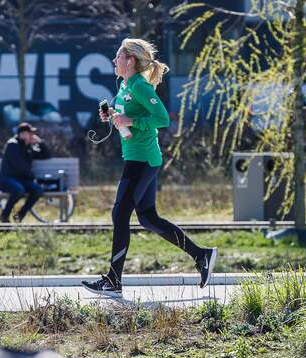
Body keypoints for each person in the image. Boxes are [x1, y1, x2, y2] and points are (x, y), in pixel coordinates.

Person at [82, 38, 217, 298]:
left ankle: (113, 279)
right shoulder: (125, 85)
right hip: (137, 157)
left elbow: (162, 118)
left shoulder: (141, 85)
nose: (114, 60)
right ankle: (202, 256)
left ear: (130, 61)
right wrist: (112, 115)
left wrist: (131, 119)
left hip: (142, 159)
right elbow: (128, 115)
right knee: (147, 218)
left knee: (120, 213)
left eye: (118, 56)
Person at [0, 122, 50, 223]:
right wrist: (33, 177)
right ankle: (4, 216)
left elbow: (46, 155)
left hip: (22, 180)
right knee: (18, 189)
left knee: (37, 190)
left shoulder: (28, 148)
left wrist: (40, 143)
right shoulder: (12, 145)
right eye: (29, 133)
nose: (32, 135)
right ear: (21, 134)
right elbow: (20, 165)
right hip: (7, 180)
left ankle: (20, 215)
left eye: (32, 133)